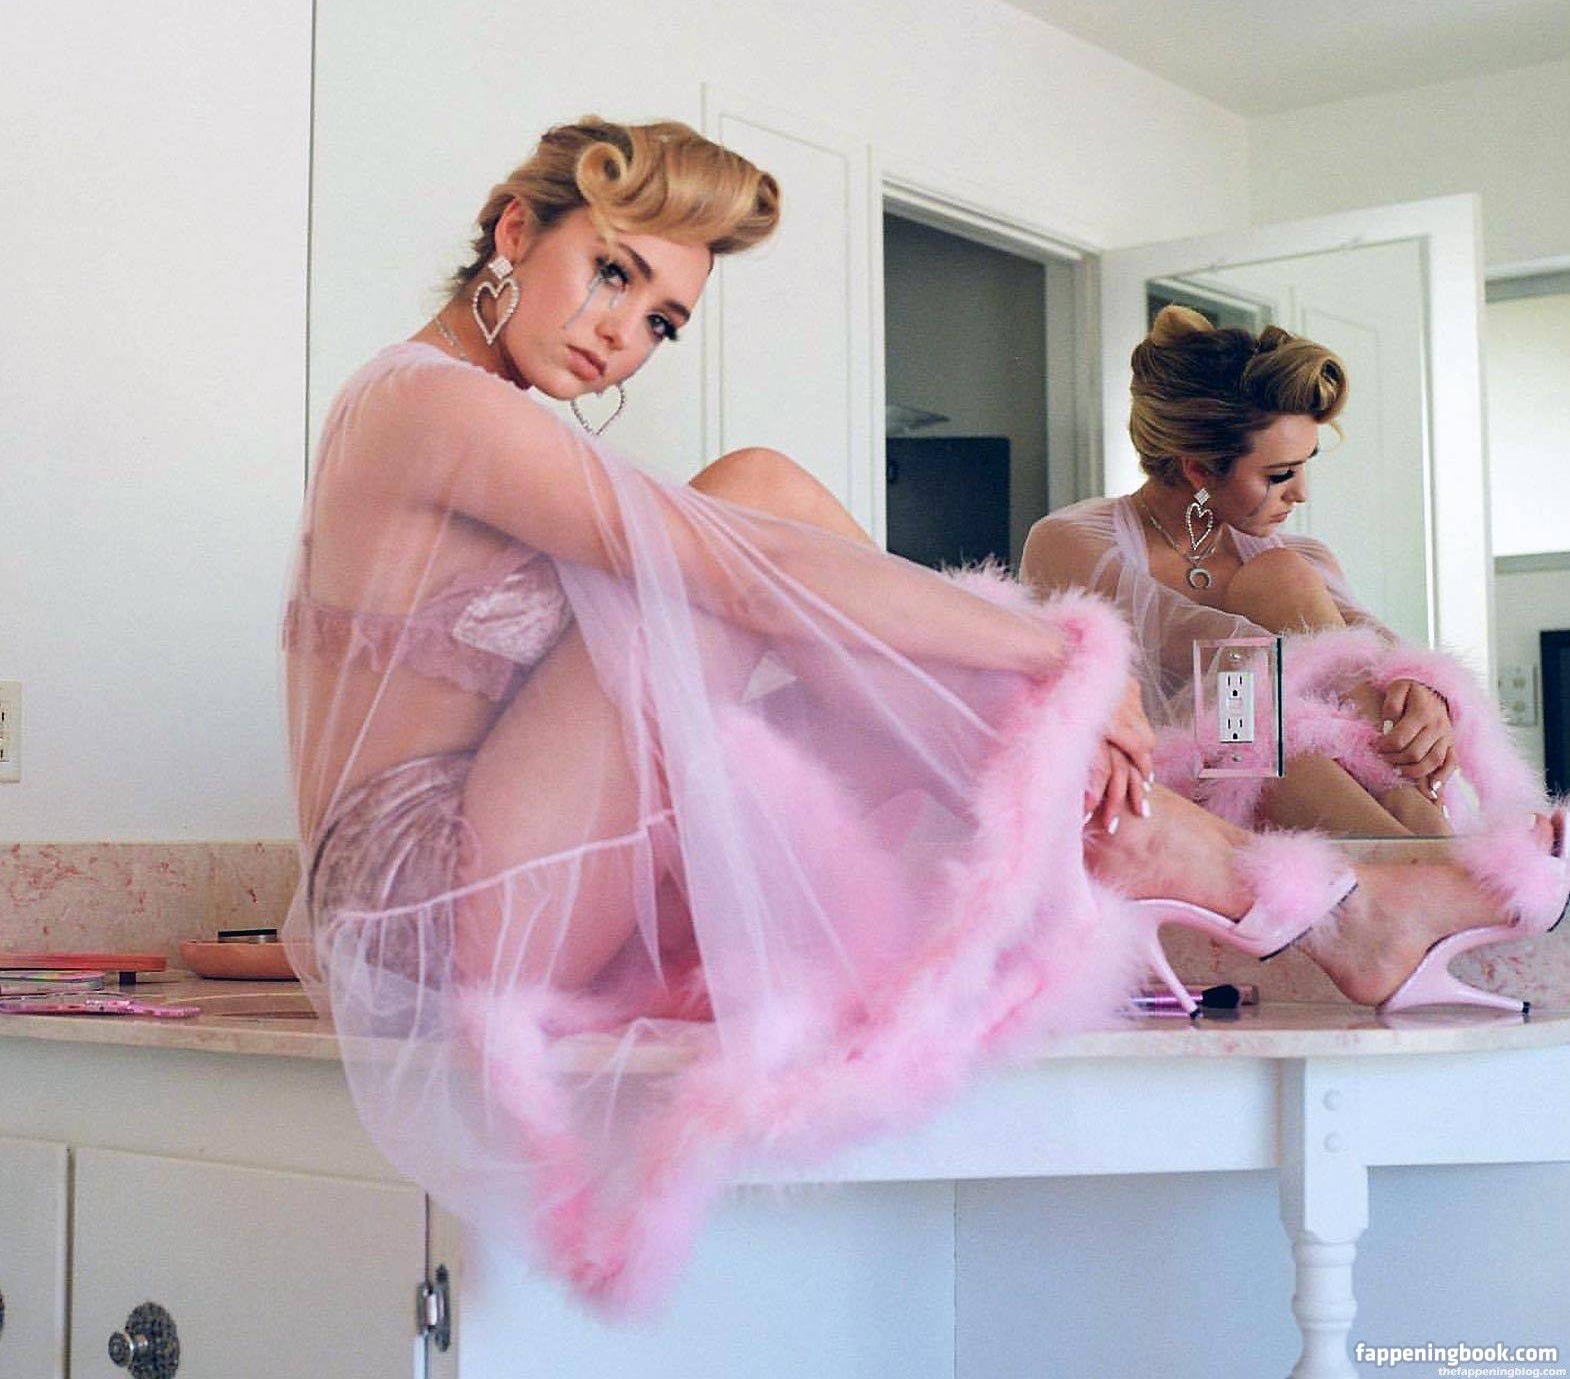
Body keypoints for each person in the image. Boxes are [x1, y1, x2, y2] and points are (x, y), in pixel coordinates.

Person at [283, 127, 1562, 1312]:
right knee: (754, 502)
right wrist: (1066, 654)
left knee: (812, 626)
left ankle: (1226, 868)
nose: (622, 334)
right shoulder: (425, 401)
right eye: (611, 274)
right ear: (515, 232)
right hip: (442, 895)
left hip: (475, 884)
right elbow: (737, 569)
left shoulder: (456, 412)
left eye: (660, 319)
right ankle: (1275, 887)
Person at [1022, 304, 1566, 997]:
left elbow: (1370, 651)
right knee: (1254, 717)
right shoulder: (1078, 542)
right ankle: (1444, 880)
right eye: (1279, 474)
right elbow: (1207, 656)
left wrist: (1419, 695)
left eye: (1305, 466)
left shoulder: (1296, 559)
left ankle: (1429, 862)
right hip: (1165, 804)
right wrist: (1341, 671)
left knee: (1303, 625)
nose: (1300, 494)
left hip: (1326, 791)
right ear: (1198, 468)